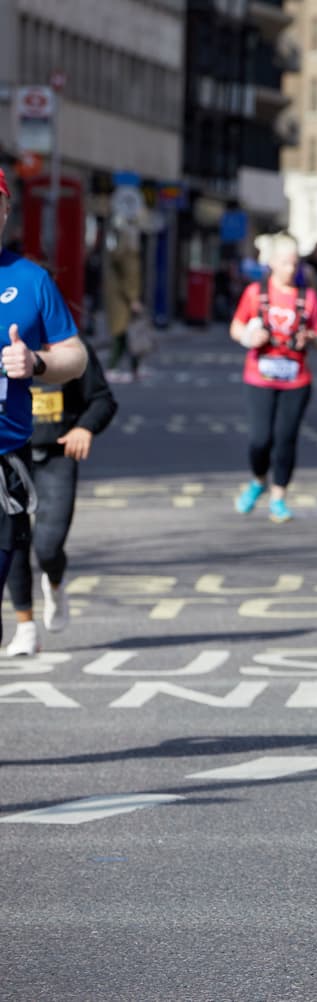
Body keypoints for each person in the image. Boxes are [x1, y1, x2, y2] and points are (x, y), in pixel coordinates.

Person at [0, 168, 89, 647]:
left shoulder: (30, 281)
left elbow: (75, 357)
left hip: (6, 462)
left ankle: (27, 620)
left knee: (35, 546)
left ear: (5, 212)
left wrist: (35, 361)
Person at [5, 340, 117, 655]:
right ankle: (26, 627)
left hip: (56, 456)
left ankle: (54, 583)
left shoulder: (68, 346)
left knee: (48, 547)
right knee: (11, 542)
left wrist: (85, 428)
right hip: (9, 457)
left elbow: (102, 399)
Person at [230, 232, 317, 523]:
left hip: (296, 379)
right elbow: (235, 328)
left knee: (286, 439)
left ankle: (279, 496)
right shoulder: (254, 293)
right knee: (261, 439)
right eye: (285, 262)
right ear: (272, 263)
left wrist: (311, 338)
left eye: (295, 263)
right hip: (259, 376)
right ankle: (259, 480)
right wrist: (250, 336)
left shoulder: (308, 297)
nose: (291, 268)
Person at [103, 224, 143, 383]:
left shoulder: (121, 255)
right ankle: (116, 367)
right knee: (124, 334)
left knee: (127, 334)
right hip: (122, 301)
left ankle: (134, 367)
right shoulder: (127, 256)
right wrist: (133, 299)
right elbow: (130, 279)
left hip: (120, 299)